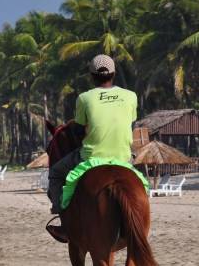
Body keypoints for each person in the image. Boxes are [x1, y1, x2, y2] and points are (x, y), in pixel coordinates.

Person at [46, 54, 138, 243]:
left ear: (92, 76)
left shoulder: (84, 98)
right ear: (114, 73)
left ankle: (62, 220)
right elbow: (129, 122)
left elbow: (79, 130)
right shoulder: (131, 96)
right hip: (123, 156)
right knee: (138, 187)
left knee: (55, 173)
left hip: (91, 156)